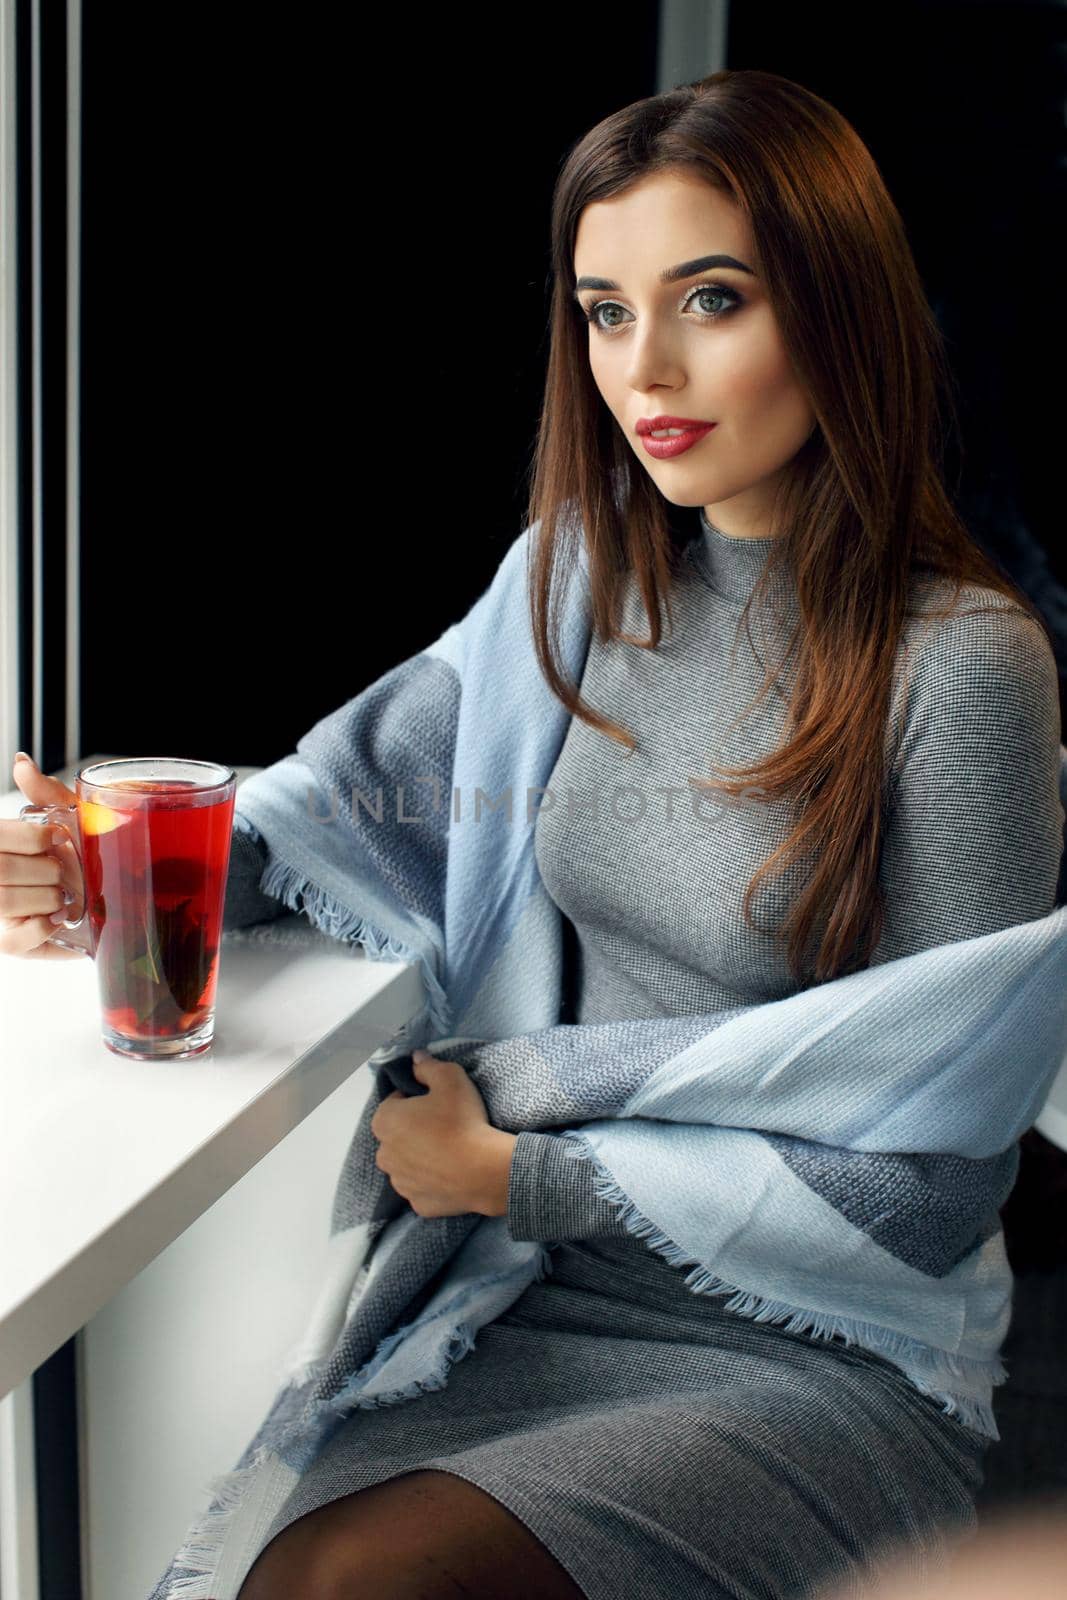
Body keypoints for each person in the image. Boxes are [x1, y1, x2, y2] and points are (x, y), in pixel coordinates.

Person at [3, 68, 1064, 1600]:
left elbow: (938, 1181)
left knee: (353, 1587)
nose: (651, 368)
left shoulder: (964, 663)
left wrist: (523, 1166)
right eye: (605, 309)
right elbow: (342, 805)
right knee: (289, 1581)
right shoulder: (575, 588)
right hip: (520, 1291)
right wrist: (98, 858)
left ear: (841, 311)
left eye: (712, 298)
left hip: (824, 1349)